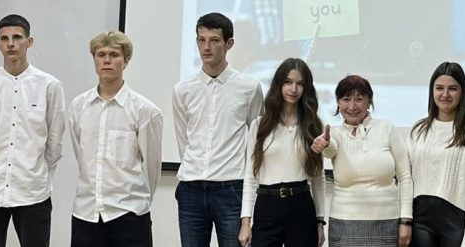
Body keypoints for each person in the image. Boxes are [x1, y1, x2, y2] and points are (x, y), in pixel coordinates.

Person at [0, 14, 66, 246]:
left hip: (33, 191)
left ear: (29, 41)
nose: (11, 44)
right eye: (4, 39)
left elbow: (55, 141)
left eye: (17, 37)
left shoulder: (49, 86)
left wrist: (38, 174)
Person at [175, 13, 265, 247]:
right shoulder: (183, 90)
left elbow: (257, 141)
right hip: (191, 188)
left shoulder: (249, 88)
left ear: (229, 43)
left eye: (214, 40)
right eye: (201, 40)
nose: (206, 47)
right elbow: (183, 139)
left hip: (231, 188)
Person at [69, 31, 163, 247]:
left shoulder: (145, 110)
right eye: (101, 54)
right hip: (86, 212)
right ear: (94, 59)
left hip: (129, 215)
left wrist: (139, 201)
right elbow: (81, 156)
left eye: (114, 55)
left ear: (126, 60)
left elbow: (152, 167)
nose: (107, 60)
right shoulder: (78, 106)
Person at [311, 75, 413, 247]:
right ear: (338, 103)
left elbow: (405, 177)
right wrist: (324, 145)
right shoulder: (334, 135)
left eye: (359, 99)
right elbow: (331, 149)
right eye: (346, 99)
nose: (352, 106)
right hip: (344, 225)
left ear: (369, 101)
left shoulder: (387, 129)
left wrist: (406, 220)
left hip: (387, 223)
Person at [239, 58, 326, 247]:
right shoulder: (260, 125)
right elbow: (250, 175)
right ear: (279, 84)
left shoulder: (313, 126)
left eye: (300, 84)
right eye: (288, 82)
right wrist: (245, 222)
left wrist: (320, 222)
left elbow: (318, 177)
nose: (293, 89)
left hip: (301, 204)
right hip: (267, 204)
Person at [408, 62, 465, 247]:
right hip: (420, 222)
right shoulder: (418, 130)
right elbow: (406, 179)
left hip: (456, 225)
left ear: (463, 92)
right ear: (432, 91)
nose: (445, 94)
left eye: (452, 88)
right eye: (439, 88)